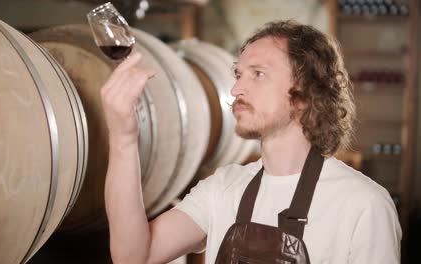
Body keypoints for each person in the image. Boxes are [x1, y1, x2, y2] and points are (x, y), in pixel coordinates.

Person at [99, 20, 401, 263]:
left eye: (258, 74)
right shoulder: (223, 187)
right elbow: (132, 256)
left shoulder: (364, 205)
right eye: (238, 74)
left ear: (306, 94)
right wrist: (124, 139)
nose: (236, 88)